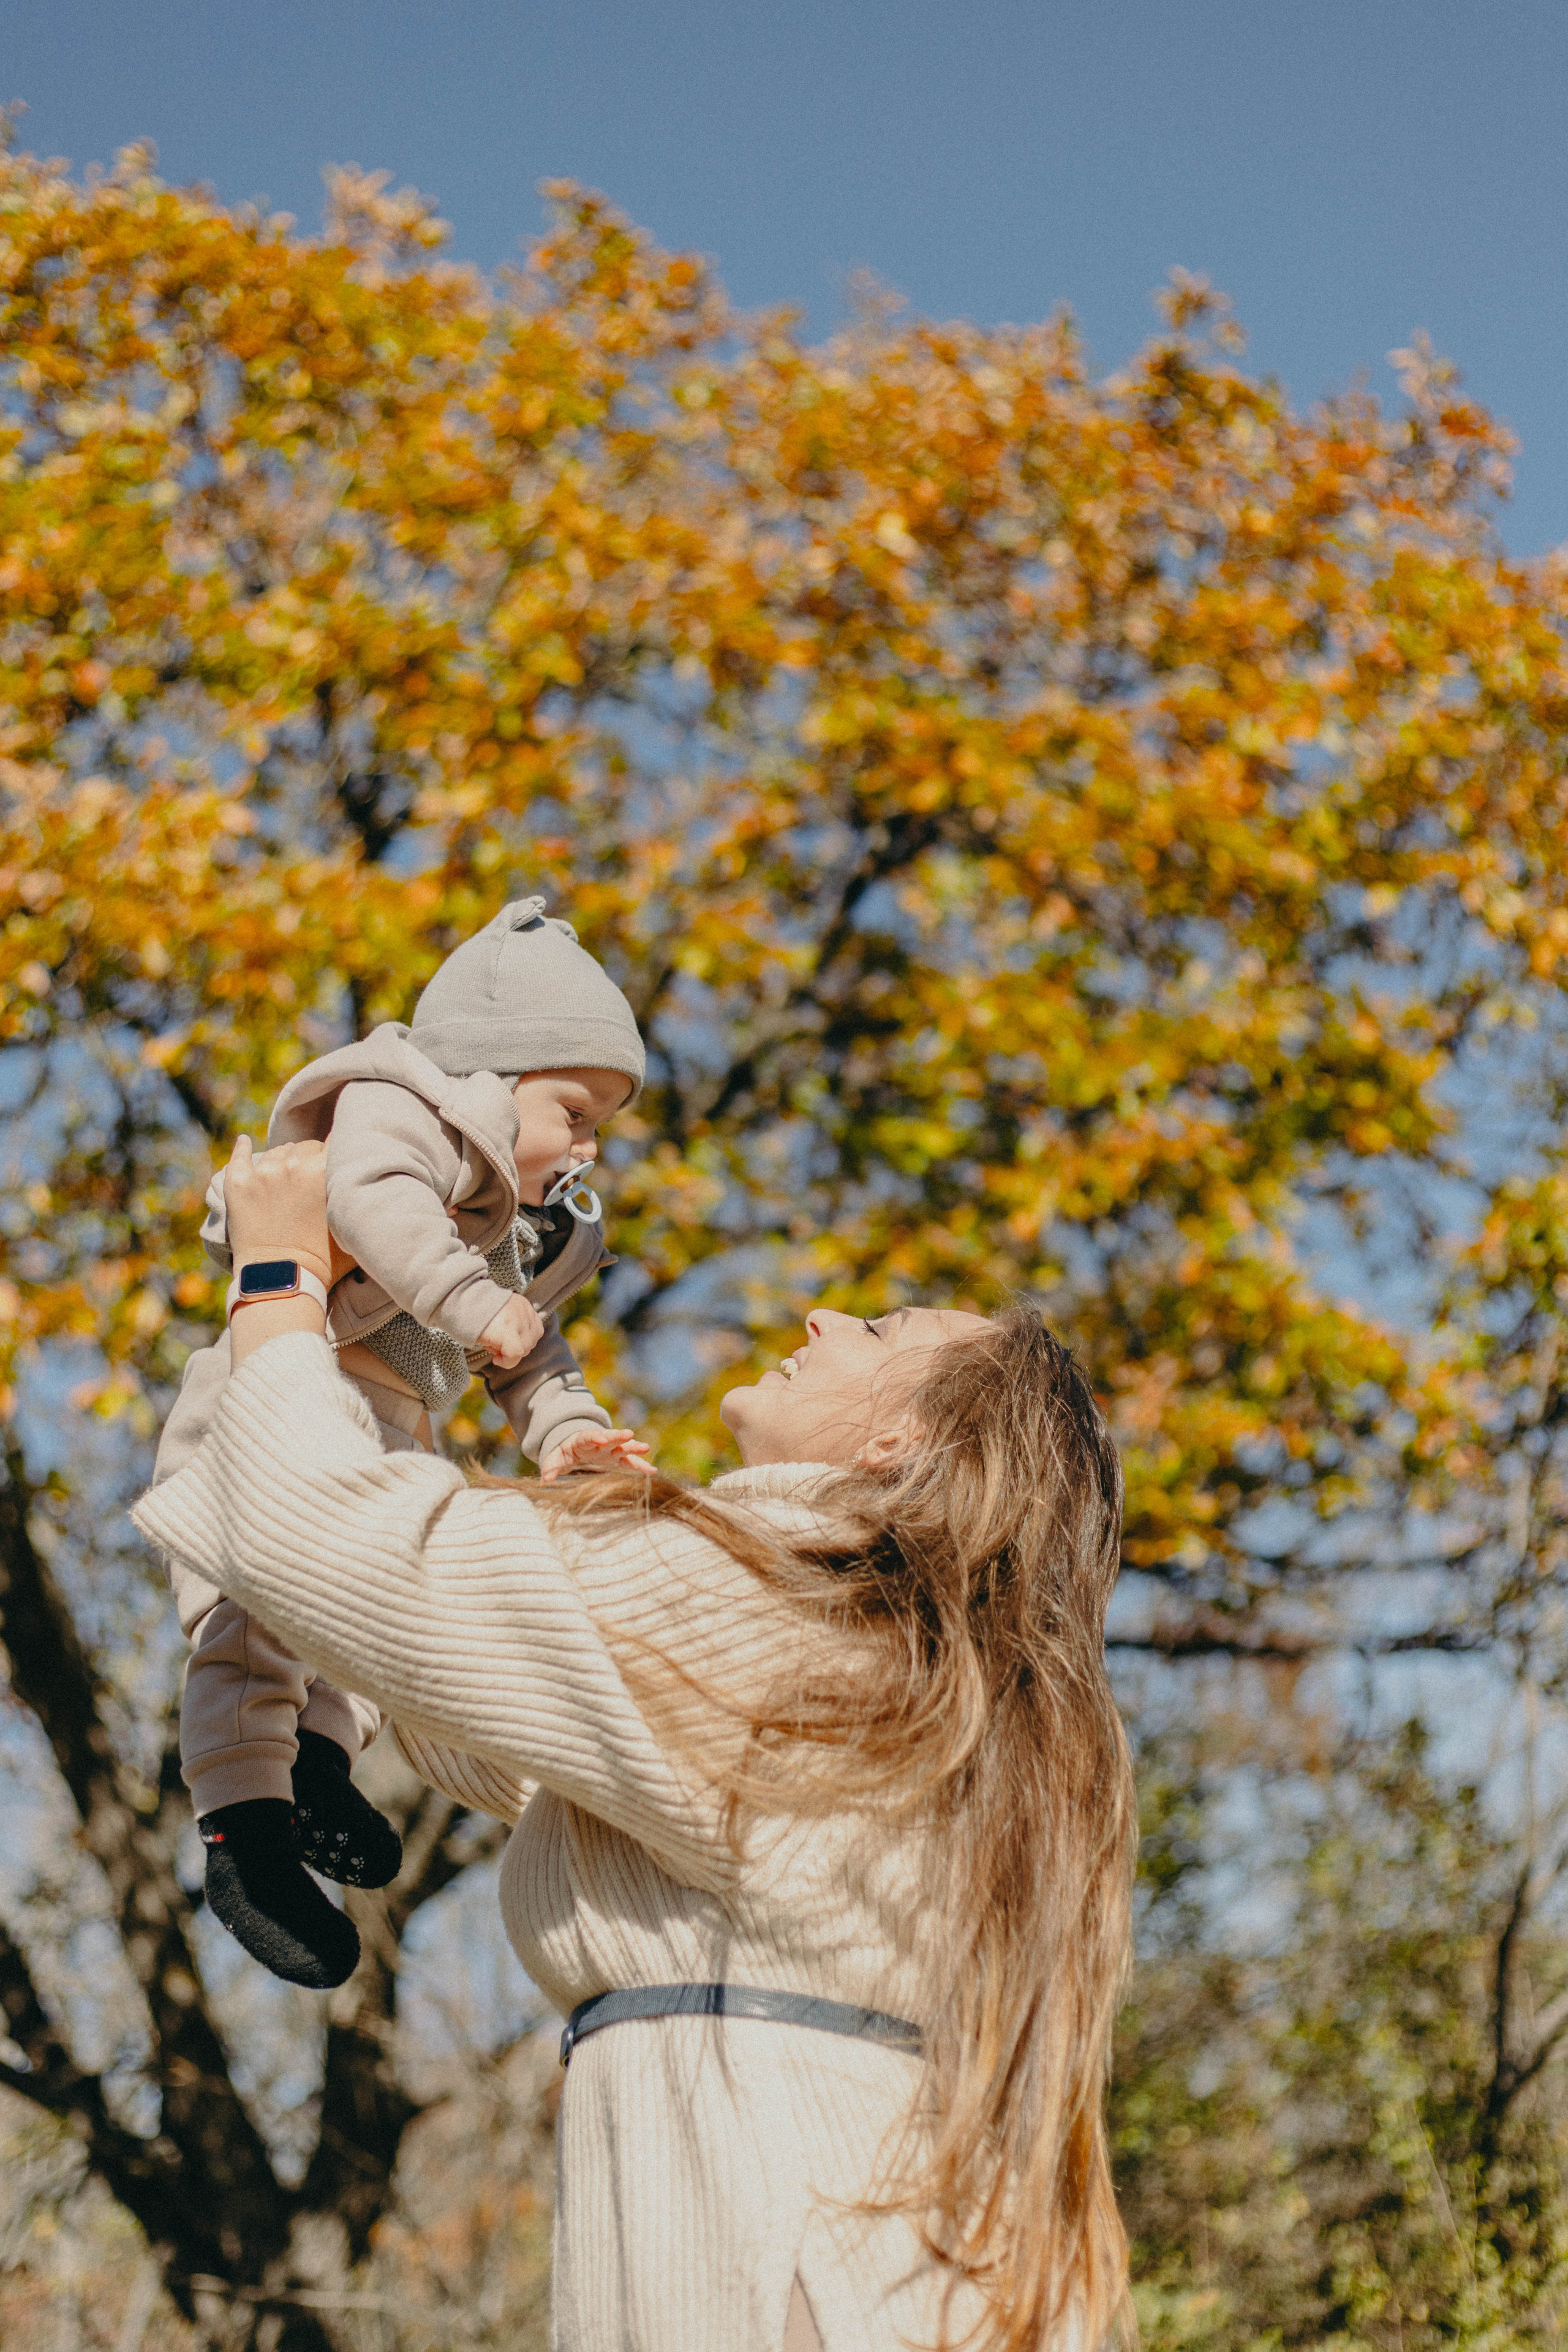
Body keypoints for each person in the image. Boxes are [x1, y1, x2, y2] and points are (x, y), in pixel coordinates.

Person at [134, 1135, 1137, 2352]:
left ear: (900, 1446)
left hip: (802, 2288)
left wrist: (280, 1283)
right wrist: (380, 1369)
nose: (824, 1315)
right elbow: (437, 1664)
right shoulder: (883, 1665)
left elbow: (338, 1550)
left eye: (882, 1332)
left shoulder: (778, 1614)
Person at [153, 896, 650, 1989]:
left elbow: (532, 1359)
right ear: (490, 1079)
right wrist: (472, 1299)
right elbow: (373, 1202)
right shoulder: (402, 1111)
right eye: (575, 1108)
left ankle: (320, 1769)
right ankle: (245, 1834)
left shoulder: (522, 1226)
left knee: (367, 1623)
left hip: (393, 1429)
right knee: (254, 1620)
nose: (590, 1142)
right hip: (276, 1389)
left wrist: (569, 1435)